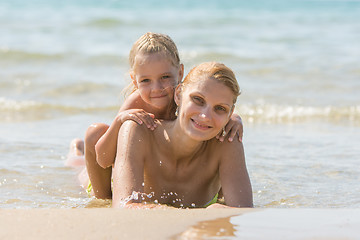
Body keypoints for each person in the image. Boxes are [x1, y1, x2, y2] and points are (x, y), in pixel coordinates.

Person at [67, 33, 244, 199]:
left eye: (165, 77)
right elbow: (104, 160)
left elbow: (215, 105)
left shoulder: (189, 98)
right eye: (145, 81)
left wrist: (235, 118)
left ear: (180, 73)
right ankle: (93, 180)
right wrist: (120, 121)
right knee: (95, 134)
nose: (157, 88)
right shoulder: (136, 102)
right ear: (134, 80)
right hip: (119, 170)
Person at [111, 62, 253, 208]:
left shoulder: (227, 141)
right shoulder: (138, 131)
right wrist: (207, 214)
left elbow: (243, 212)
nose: (205, 116)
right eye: (198, 99)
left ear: (230, 113)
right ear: (178, 95)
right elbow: (124, 208)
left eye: (220, 108)